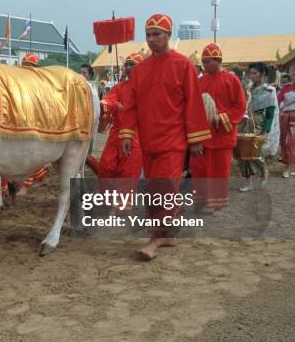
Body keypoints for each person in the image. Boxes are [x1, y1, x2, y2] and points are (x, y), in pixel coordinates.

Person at [119, 13, 210, 260]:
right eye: (148, 35)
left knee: (163, 187)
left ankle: (155, 238)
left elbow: (193, 104)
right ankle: (169, 232)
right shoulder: (141, 70)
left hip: (173, 140)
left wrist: (196, 141)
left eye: (157, 34)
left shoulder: (184, 65)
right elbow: (130, 105)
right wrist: (127, 134)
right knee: (154, 188)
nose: (151, 39)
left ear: (168, 35)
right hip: (148, 141)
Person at [189, 44, 246, 211]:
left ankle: (217, 205)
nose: (205, 65)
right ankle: (200, 201)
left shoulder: (231, 79)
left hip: (222, 134)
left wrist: (221, 117)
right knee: (198, 168)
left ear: (218, 60)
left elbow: (240, 105)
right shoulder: (199, 82)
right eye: (204, 62)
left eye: (208, 62)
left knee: (219, 171)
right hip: (203, 135)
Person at [98, 52, 144, 180]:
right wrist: (107, 105)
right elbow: (108, 101)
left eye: (132, 65)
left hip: (136, 137)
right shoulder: (119, 87)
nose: (127, 68)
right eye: (126, 65)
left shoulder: (147, 88)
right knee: (106, 168)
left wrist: (121, 106)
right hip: (115, 135)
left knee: (128, 174)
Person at [237, 62, 279, 191]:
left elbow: (270, 113)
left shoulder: (269, 90)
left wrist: (266, 131)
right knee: (242, 152)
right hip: (244, 121)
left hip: (258, 122)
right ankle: (248, 182)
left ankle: (263, 171)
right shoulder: (247, 88)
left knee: (255, 152)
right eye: (250, 73)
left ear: (263, 74)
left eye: (255, 73)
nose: (252, 76)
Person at [18, 52, 48, 196]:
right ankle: (40, 176)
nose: (25, 70)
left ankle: (25, 186)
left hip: (37, 125)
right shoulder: (18, 83)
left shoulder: (42, 85)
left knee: (30, 154)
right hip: (21, 123)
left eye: (29, 67)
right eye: (24, 67)